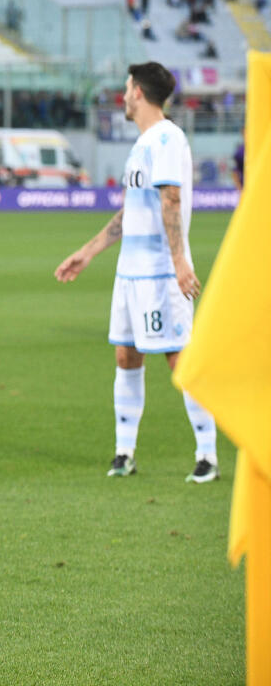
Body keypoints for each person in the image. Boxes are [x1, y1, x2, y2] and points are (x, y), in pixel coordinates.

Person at [54, 62, 218, 484]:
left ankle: (207, 455)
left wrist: (180, 262)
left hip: (161, 275)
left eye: (127, 88)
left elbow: (171, 200)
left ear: (139, 92)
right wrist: (88, 252)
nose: (123, 95)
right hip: (130, 273)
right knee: (126, 356)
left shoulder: (167, 137)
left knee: (179, 359)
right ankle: (124, 452)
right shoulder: (143, 143)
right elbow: (132, 210)